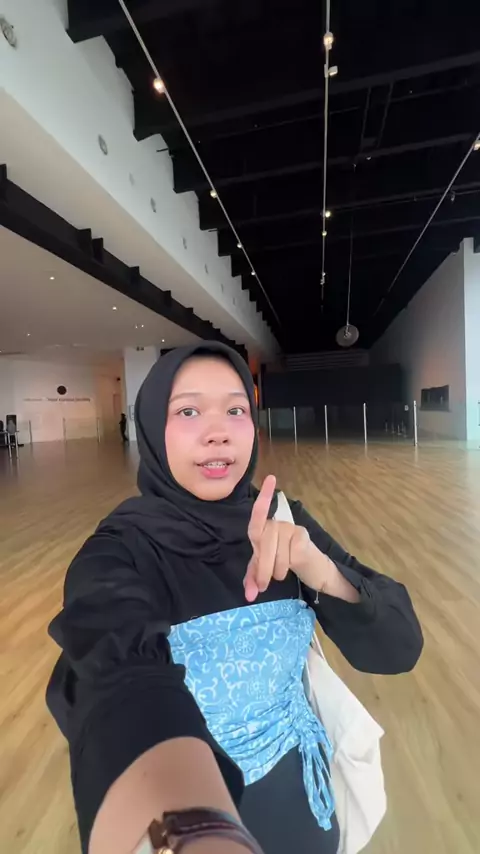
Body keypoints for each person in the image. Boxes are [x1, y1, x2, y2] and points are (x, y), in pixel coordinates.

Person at [46, 342, 423, 854]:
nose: (218, 431)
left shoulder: (282, 521)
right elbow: (116, 685)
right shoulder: (120, 551)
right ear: (152, 428)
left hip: (308, 812)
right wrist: (195, 831)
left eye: (236, 410)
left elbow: (400, 648)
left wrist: (321, 572)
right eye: (188, 411)